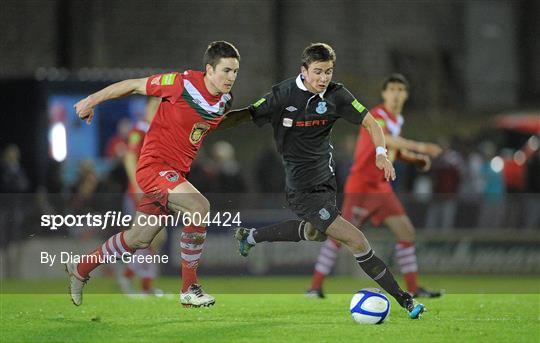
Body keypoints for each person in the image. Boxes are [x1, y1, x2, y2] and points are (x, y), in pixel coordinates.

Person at [220, 43, 425, 319]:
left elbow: (372, 122)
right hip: (301, 189)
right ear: (303, 71)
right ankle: (406, 300)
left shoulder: (336, 95)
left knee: (316, 233)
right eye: (317, 72)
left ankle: (250, 236)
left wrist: (381, 153)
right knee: (357, 241)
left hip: (327, 183)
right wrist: (209, 121)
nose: (323, 78)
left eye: (328, 71)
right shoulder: (282, 95)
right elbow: (246, 115)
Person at [66, 41, 240, 308]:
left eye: (235, 72)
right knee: (199, 206)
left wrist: (264, 113)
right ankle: (189, 288)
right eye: (226, 70)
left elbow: (220, 122)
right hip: (154, 167)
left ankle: (81, 268)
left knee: (140, 238)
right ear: (209, 69)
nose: (231, 77)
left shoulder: (224, 102)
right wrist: (91, 100)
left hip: (175, 174)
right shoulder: (181, 84)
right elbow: (134, 85)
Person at [307, 74, 443, 299]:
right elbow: (386, 139)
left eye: (401, 89)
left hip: (381, 188)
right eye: (392, 89)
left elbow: (392, 151)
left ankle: (413, 288)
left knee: (406, 232)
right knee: (340, 236)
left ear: (406, 95)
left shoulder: (397, 120)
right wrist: (421, 148)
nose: (396, 93)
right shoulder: (377, 115)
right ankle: (315, 286)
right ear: (384, 93)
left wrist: (413, 160)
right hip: (361, 186)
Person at [117, 97, 167, 296]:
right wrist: (137, 188)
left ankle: (143, 283)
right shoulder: (139, 130)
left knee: (153, 238)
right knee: (151, 237)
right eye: (155, 106)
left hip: (156, 192)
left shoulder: (159, 133)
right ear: (147, 107)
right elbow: (129, 159)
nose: (158, 111)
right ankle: (130, 277)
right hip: (140, 192)